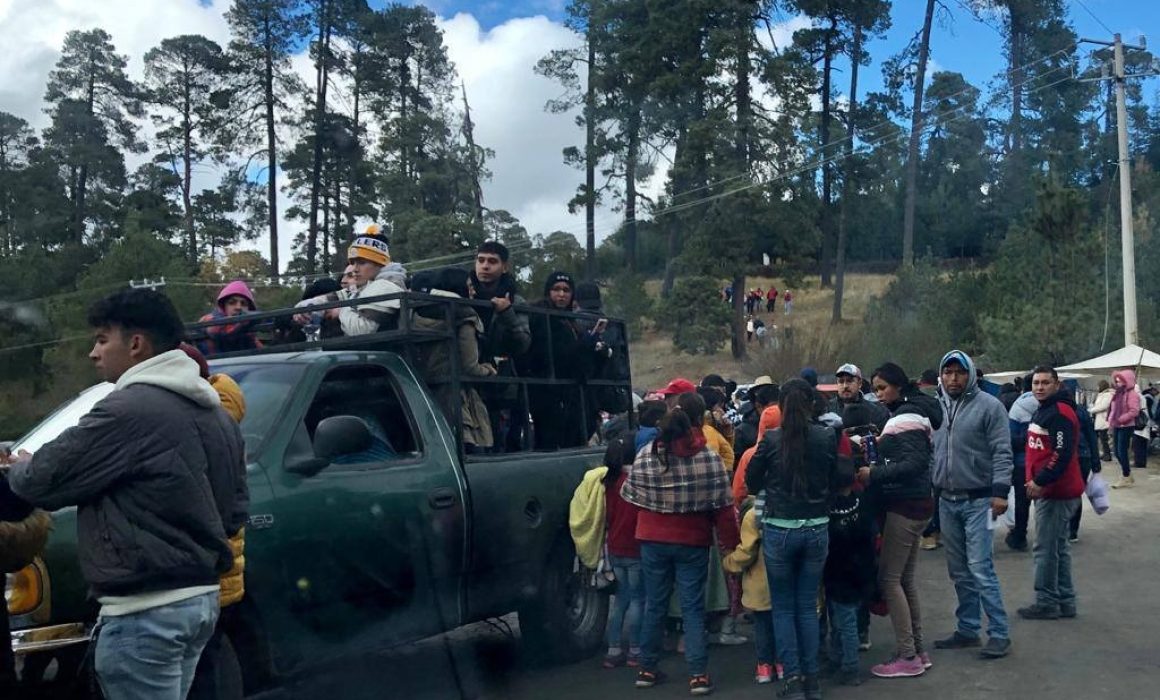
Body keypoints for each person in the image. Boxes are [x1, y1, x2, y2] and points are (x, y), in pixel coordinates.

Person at [7, 288, 246, 700]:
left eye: (102, 340)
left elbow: (39, 481)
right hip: (201, 601)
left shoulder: (127, 410)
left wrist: (20, 465)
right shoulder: (213, 412)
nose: (93, 353)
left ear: (136, 344)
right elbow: (234, 510)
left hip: (144, 611)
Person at [621, 392, 739, 695]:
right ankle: (698, 675)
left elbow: (631, 497)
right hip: (692, 541)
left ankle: (647, 669)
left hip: (652, 539)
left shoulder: (646, 454)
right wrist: (731, 544)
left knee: (655, 604)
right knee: (693, 608)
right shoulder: (707, 457)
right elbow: (724, 508)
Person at [746, 378, 852, 700]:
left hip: (779, 528)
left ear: (780, 405)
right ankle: (812, 680)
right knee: (807, 607)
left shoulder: (771, 440)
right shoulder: (825, 437)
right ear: (811, 403)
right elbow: (835, 478)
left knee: (783, 608)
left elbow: (752, 481)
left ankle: (792, 679)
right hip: (816, 527)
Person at [929, 350, 1013, 660]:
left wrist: (1000, 492)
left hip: (979, 500)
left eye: (959, 372)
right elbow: (931, 450)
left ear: (971, 374)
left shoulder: (990, 407)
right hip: (946, 500)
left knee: (980, 567)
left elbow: (1002, 451)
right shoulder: (936, 407)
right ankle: (967, 629)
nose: (953, 378)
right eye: (948, 372)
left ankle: (999, 633)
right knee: (958, 570)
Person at [863, 363, 942, 678]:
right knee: (905, 579)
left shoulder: (906, 417)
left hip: (905, 506)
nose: (879, 395)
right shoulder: (914, 412)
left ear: (898, 385)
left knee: (889, 579)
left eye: (882, 388)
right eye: (875, 389)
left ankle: (908, 655)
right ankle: (916, 649)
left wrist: (873, 473)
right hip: (918, 503)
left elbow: (913, 463)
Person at [180, 344, 249, 700]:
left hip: (208, 576)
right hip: (215, 575)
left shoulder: (210, 425)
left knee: (204, 667)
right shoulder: (216, 418)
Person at [1018, 366, 1084, 620]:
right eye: (1036, 382)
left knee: (1045, 548)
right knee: (1058, 547)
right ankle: (1065, 600)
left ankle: (1046, 601)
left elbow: (1062, 452)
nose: (1039, 387)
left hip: (1056, 492)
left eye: (1046, 382)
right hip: (1054, 490)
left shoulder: (1059, 413)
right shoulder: (1046, 409)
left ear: (1057, 384)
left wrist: (1040, 481)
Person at [410, 267, 496, 452]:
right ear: (457, 288)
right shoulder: (464, 314)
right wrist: (489, 370)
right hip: (458, 398)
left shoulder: (413, 314)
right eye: (469, 286)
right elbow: (470, 366)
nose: (473, 291)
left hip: (424, 395)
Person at [524, 271, 602, 449]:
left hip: (569, 389)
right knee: (550, 439)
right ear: (548, 292)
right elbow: (556, 351)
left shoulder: (570, 321)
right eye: (556, 289)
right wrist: (587, 342)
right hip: (547, 388)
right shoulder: (540, 316)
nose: (561, 294)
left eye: (566, 290)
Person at [470, 241, 533, 450]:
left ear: (504, 267)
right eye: (481, 260)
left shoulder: (515, 300)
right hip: (469, 378)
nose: (485, 266)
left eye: (492, 261)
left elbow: (523, 343)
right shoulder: (464, 294)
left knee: (498, 442)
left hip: (501, 384)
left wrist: (507, 313)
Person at [298, 229, 408, 336]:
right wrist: (306, 306)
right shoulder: (367, 285)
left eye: (362, 263)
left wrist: (341, 311)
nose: (355, 269)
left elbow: (361, 330)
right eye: (353, 263)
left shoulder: (384, 286)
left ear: (380, 264)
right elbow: (339, 296)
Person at [822, 470, 875, 687]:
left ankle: (850, 666)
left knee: (843, 622)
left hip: (837, 573)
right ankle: (838, 657)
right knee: (845, 620)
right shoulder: (861, 503)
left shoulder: (829, 510)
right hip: (860, 571)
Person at [722, 496, 779, 685]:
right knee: (783, 624)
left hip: (759, 583)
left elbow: (747, 552)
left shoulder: (753, 515)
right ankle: (782, 664)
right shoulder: (788, 508)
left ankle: (764, 667)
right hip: (783, 581)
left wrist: (728, 562)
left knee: (762, 627)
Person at [602, 435, 645, 669]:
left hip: (615, 547)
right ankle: (635, 650)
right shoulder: (635, 482)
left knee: (621, 599)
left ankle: (614, 649)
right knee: (638, 599)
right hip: (635, 547)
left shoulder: (608, 482)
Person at [1005, 384, 1037, 552]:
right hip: (1043, 463)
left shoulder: (1017, 407)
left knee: (1021, 502)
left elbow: (1010, 439)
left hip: (1021, 463)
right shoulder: (1050, 406)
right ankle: (1047, 537)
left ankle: (1020, 536)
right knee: (1045, 502)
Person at [197, 280, 263, 356]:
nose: (238, 307)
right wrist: (246, 319)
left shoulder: (249, 333)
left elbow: (262, 354)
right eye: (232, 302)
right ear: (223, 306)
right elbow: (215, 330)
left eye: (243, 304)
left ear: (249, 308)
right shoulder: (208, 320)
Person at [830, 364, 890, 432]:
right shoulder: (828, 409)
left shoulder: (876, 412)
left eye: (849, 381)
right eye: (841, 381)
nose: (845, 386)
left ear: (860, 383)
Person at [1107, 369, 1140, 488]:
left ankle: (1126, 476)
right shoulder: (1118, 394)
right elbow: (1113, 409)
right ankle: (1127, 474)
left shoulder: (1132, 394)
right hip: (1117, 425)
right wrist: (1111, 421)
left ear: (1127, 381)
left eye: (1120, 381)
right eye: (1116, 381)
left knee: (1121, 451)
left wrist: (1121, 418)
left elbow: (1134, 411)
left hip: (1126, 426)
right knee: (1116, 452)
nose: (1118, 383)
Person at [1090, 379, 1114, 461]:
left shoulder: (1108, 395)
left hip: (1104, 419)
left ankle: (1107, 455)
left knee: (1104, 439)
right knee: (1102, 439)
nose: (1097, 388)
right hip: (1100, 419)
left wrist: (1092, 410)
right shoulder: (1101, 395)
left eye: (1098, 386)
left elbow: (1103, 406)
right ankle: (1105, 453)